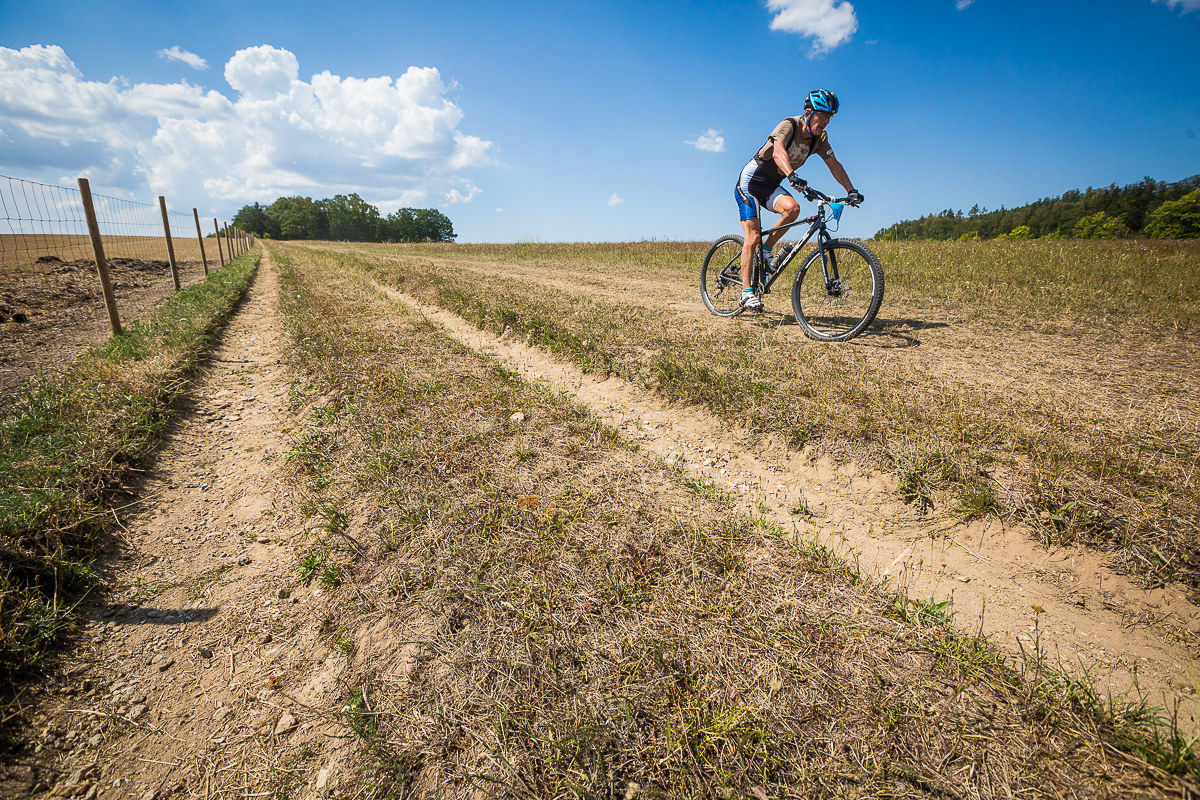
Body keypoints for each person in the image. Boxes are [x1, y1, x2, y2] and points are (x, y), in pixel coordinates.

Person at [733, 89, 864, 310]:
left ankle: (766, 252)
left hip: (771, 185)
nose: (825, 122)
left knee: (793, 209)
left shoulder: (819, 139)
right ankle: (746, 292)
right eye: (821, 116)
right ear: (807, 112)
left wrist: (851, 190)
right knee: (752, 236)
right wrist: (792, 176)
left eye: (829, 117)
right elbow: (778, 153)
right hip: (750, 183)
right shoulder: (789, 125)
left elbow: (834, 164)